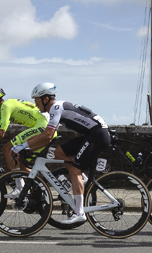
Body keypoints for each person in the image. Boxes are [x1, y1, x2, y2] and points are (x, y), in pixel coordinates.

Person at [25, 83, 113, 225]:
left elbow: (48, 135)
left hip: (97, 134)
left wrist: (23, 147)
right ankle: (82, 180)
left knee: (75, 171)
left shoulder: (55, 108)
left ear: (46, 99)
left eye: (37, 101)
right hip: (92, 133)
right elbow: (48, 133)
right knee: (59, 152)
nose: (36, 104)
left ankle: (79, 213)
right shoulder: (57, 108)